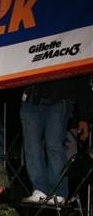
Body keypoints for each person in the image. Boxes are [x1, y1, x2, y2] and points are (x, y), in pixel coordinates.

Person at [20, 75, 93, 204]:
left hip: (61, 98)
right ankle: (39, 190)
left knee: (54, 145)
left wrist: (84, 117)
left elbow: (83, 80)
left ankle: (59, 192)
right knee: (31, 146)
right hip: (32, 98)